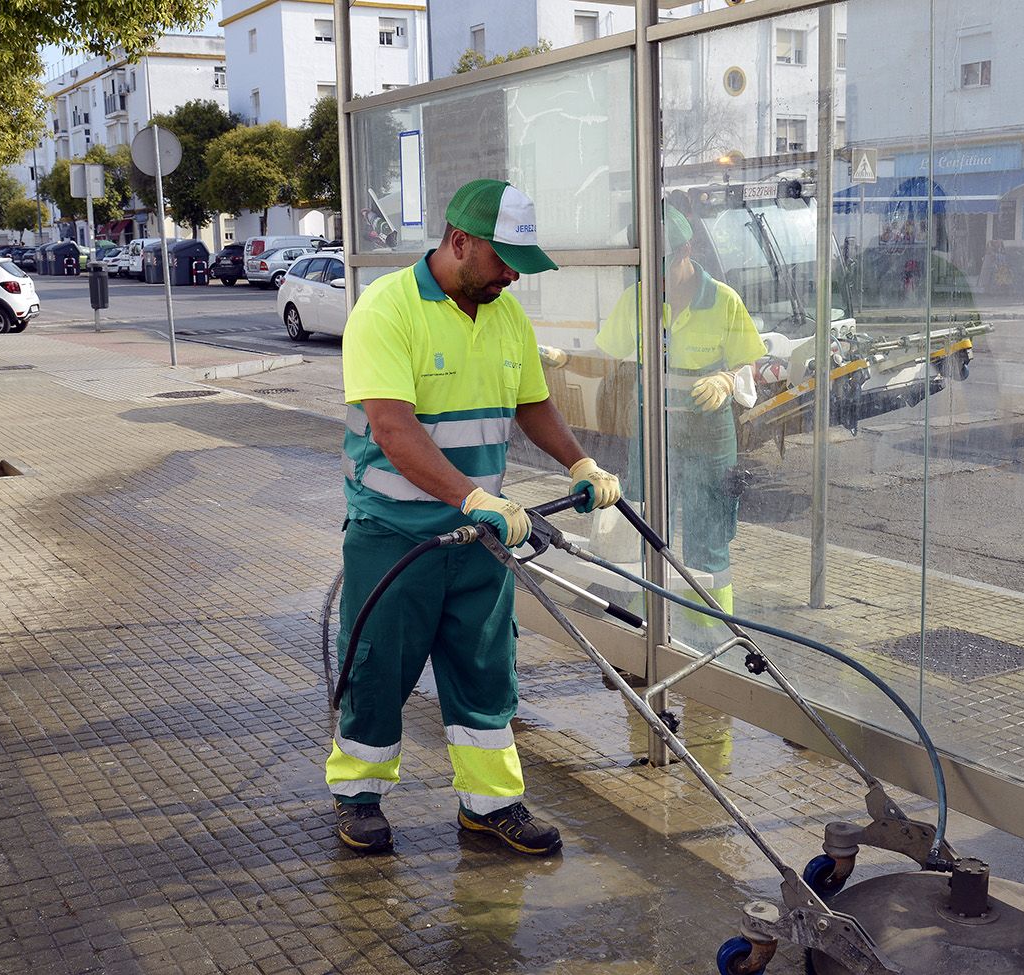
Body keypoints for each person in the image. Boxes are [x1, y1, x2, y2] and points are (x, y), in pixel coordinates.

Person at [328, 178, 623, 857]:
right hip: (395, 537)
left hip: (481, 537)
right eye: (503, 259)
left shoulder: (505, 315)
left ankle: (490, 806)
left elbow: (532, 402)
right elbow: (393, 429)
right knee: (377, 671)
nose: (513, 275)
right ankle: (359, 795)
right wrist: (473, 497)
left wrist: (580, 464)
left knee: (487, 672)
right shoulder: (387, 309)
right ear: (460, 242)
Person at [594, 203, 766, 619]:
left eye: (663, 267)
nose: (655, 279)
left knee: (709, 535)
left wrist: (726, 380)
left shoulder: (723, 300)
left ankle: (710, 627)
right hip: (653, 431)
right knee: (646, 528)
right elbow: (606, 357)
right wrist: (560, 360)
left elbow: (749, 363)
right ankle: (646, 622)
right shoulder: (638, 299)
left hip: (709, 434)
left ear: (686, 250)